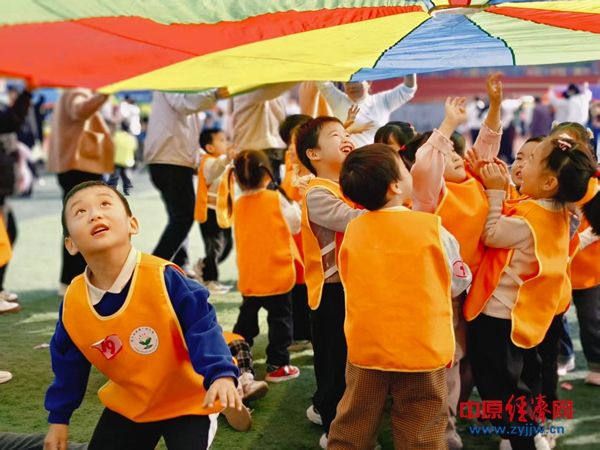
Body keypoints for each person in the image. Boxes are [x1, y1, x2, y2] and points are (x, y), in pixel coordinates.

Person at [44, 181, 241, 450]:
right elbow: (68, 363)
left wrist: (220, 374)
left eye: (105, 204)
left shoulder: (165, 278)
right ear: (70, 244)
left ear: (132, 225)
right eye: (80, 212)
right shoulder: (74, 301)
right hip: (132, 402)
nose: (94, 214)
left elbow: (203, 327)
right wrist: (59, 419)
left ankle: (237, 384)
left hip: (190, 399)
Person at [327, 144, 471, 449]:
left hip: (368, 347)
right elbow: (458, 281)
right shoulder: (432, 227)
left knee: (355, 418)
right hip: (423, 347)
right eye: (404, 169)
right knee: (423, 424)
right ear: (395, 185)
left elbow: (349, 279)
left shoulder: (353, 231)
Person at [464, 134, 600, 449]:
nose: (521, 165)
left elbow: (491, 233)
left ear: (550, 182)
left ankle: (523, 438)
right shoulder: (558, 212)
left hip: (498, 316)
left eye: (532, 159)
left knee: (497, 389)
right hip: (523, 316)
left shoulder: (530, 221)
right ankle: (529, 434)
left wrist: (495, 191)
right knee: (516, 385)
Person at [295, 116, 365, 448]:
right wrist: (393, 208)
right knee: (334, 360)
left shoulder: (346, 186)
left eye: (347, 133)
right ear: (314, 154)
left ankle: (325, 408)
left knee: (345, 358)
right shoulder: (318, 193)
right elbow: (354, 221)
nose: (346, 138)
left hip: (351, 287)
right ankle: (334, 430)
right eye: (336, 135)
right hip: (331, 291)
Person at [226, 150, 301, 383]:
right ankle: (277, 365)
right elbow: (296, 225)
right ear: (267, 174)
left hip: (251, 275)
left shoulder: (238, 203)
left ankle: (235, 354)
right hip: (277, 273)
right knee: (280, 321)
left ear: (236, 178)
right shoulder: (276, 198)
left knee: (246, 319)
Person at [144, 89, 229, 272]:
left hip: (171, 159)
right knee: (183, 216)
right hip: (169, 160)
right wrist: (214, 95)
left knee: (178, 216)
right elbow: (183, 105)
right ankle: (152, 268)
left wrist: (198, 158)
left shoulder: (181, 87)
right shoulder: (172, 80)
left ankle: (179, 264)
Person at [48, 88, 114, 294]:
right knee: (84, 227)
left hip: (75, 167)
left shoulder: (69, 92)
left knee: (78, 225)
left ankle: (72, 280)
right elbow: (79, 110)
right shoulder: (77, 90)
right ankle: (75, 280)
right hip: (81, 167)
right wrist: (105, 94)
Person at [316, 75, 417, 147]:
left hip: (377, 159)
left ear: (368, 82)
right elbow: (322, 82)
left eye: (355, 81)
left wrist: (408, 62)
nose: (351, 86)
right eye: (347, 82)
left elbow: (408, 89)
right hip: (348, 160)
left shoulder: (381, 101)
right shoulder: (338, 101)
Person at [194, 128, 235, 295]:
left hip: (223, 212)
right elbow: (216, 168)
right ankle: (210, 280)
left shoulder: (224, 162)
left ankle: (204, 266)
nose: (226, 143)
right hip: (210, 213)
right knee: (215, 247)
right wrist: (227, 159)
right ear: (210, 147)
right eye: (222, 140)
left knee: (227, 245)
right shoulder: (209, 162)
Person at [232, 83, 298, 183]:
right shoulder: (246, 88)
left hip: (272, 149)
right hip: (253, 152)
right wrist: (297, 77)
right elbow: (271, 92)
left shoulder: (274, 93)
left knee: (273, 187)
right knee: (263, 189)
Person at [107, 122, 137, 195]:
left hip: (116, 160)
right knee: (126, 176)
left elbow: (109, 146)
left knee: (114, 177)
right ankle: (127, 189)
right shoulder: (132, 138)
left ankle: (111, 189)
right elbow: (135, 149)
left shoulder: (115, 135)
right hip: (127, 161)